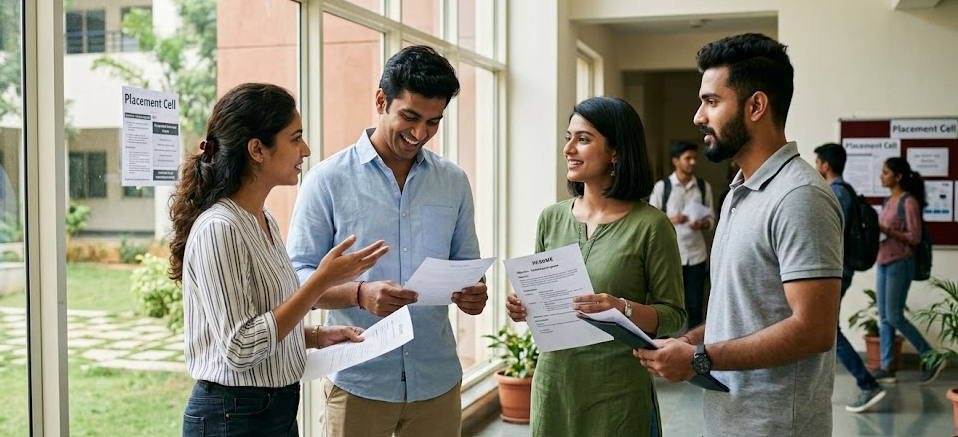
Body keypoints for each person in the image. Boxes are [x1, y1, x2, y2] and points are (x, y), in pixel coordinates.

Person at [634, 33, 843, 437]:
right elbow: (740, 314)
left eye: (711, 102)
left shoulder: (799, 196)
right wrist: (686, 344)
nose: (698, 116)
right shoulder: (737, 192)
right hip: (732, 419)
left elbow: (813, 330)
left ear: (756, 106)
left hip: (777, 425)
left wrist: (699, 360)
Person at [286, 45, 488, 437]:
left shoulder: (453, 181)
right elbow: (296, 278)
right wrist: (358, 294)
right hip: (359, 380)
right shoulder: (327, 181)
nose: (419, 134)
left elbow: (468, 265)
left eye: (433, 122)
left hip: (437, 381)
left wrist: (475, 295)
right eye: (409, 117)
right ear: (381, 100)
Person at [169, 83, 390, 437]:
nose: (306, 149)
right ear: (257, 149)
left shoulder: (263, 218)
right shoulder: (219, 228)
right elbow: (239, 348)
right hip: (234, 416)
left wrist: (316, 336)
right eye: (295, 138)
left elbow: (261, 321)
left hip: (275, 409)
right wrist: (321, 279)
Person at [505, 96, 686, 437]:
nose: (568, 148)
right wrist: (523, 304)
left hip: (617, 389)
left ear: (616, 152)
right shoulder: (551, 218)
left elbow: (673, 315)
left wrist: (622, 308)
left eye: (583, 139)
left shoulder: (652, 226)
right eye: (568, 137)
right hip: (553, 385)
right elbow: (543, 300)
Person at [814, 142, 887, 412]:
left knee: (829, 330)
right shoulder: (846, 191)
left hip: (836, 270)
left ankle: (867, 384)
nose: (815, 166)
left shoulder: (835, 193)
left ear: (825, 164)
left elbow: (830, 235)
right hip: (843, 269)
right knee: (824, 328)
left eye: (817, 161)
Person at [872, 157, 944, 384]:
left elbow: (915, 237)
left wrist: (887, 231)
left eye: (885, 172)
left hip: (900, 263)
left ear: (898, 176)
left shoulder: (909, 202)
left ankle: (931, 357)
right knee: (884, 318)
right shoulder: (887, 201)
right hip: (883, 261)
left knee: (894, 316)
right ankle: (887, 367)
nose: (881, 176)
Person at [648, 141, 714, 330]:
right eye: (688, 158)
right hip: (670, 256)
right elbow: (650, 220)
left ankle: (693, 350)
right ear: (676, 161)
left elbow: (711, 220)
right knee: (669, 306)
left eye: (694, 158)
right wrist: (671, 219)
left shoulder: (703, 187)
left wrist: (702, 223)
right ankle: (668, 346)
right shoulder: (663, 187)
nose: (693, 162)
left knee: (695, 305)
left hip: (696, 255)